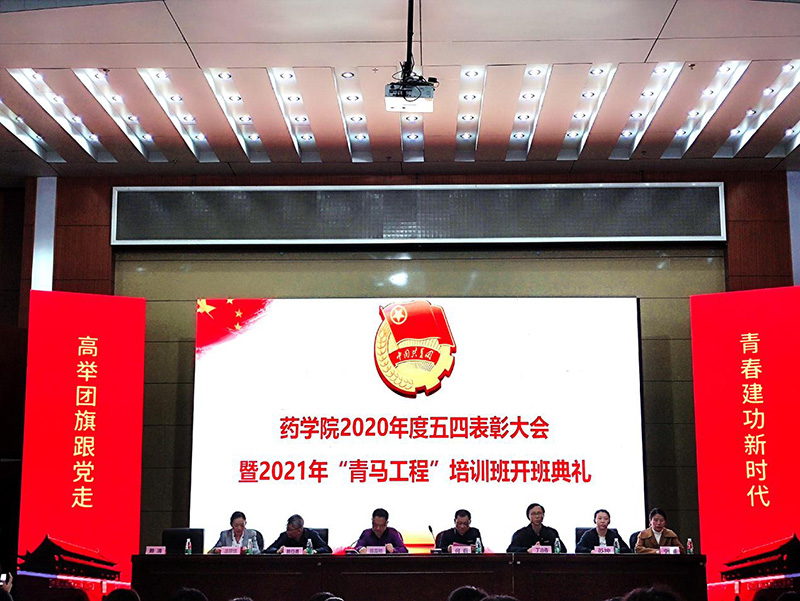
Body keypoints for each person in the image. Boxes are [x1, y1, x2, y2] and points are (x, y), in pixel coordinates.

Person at [265, 514, 331, 554]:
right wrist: (277, 551)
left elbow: (327, 549)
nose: (287, 532)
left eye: (290, 530)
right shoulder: (285, 536)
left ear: (299, 530)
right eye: (287, 529)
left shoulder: (311, 534)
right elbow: (268, 550)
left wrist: (314, 551)